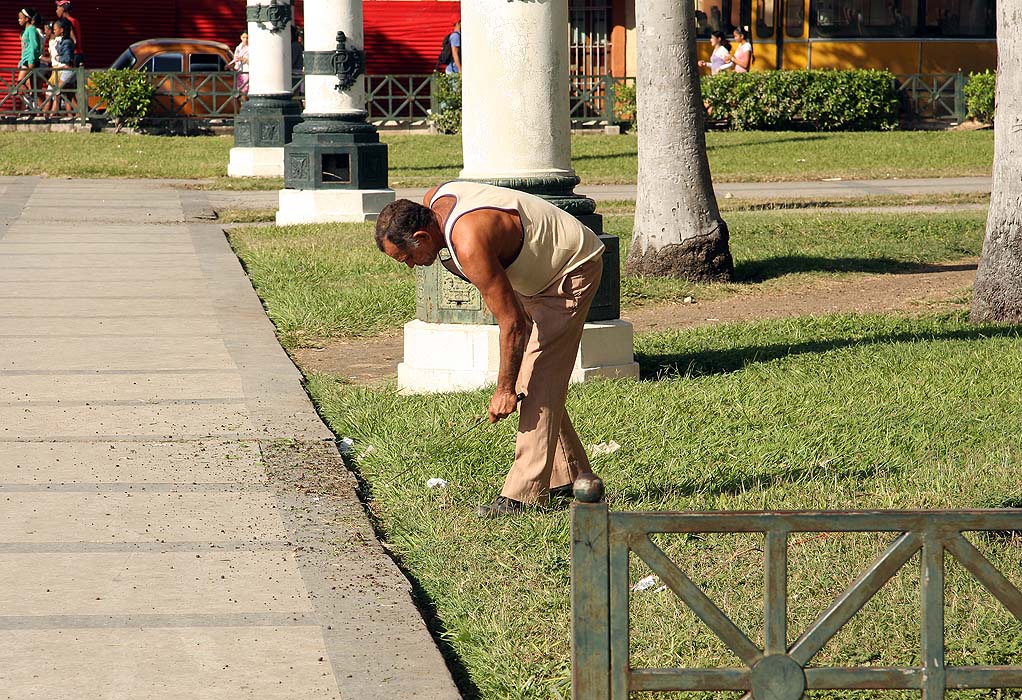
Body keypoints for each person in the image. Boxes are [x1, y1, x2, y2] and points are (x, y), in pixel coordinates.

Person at [375, 182, 605, 518]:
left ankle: (523, 497)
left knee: (535, 380)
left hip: (571, 271)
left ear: (423, 237)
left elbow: (513, 325)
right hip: (537, 278)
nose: (411, 265)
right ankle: (569, 477)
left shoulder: (468, 242)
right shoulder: (433, 201)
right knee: (540, 381)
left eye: (408, 257)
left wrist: (504, 390)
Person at [42, 17, 73, 116]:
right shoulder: (61, 41)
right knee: (67, 95)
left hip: (65, 70)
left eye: (55, 29)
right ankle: (72, 115)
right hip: (61, 70)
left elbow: (67, 58)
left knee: (57, 92)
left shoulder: (66, 42)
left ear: (62, 30)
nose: (53, 31)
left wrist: (59, 58)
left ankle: (49, 114)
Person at [17, 8, 42, 108]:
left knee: (19, 84)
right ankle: (39, 109)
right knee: (33, 88)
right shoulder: (26, 31)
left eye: (20, 18)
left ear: (27, 19)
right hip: (25, 60)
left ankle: (31, 103)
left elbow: (34, 46)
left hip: (29, 61)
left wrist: (31, 61)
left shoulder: (31, 29)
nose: (19, 20)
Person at [54, 1, 82, 66]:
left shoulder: (68, 21)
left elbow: (74, 39)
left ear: (63, 9)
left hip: (72, 55)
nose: (56, 11)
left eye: (58, 8)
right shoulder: (74, 20)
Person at [229, 31, 249, 97]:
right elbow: (235, 58)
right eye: (244, 37)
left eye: (247, 38)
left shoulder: (251, 48)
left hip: (247, 70)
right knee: (239, 89)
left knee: (246, 88)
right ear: (241, 37)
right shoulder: (238, 47)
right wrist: (229, 64)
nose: (245, 40)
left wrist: (243, 59)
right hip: (240, 70)